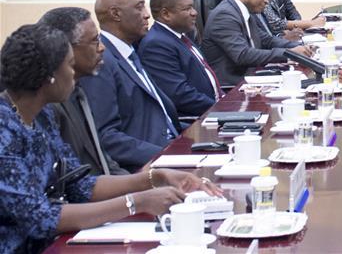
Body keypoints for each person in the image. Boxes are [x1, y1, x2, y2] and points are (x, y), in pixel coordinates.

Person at [0, 24, 221, 253]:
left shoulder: (43, 115)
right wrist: (137, 202)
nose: (74, 72)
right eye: (69, 64)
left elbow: (80, 185)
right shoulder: (4, 132)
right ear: (49, 77)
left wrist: (155, 177)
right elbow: (41, 218)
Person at [79, 0, 183, 171]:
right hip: (147, 166)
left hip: (171, 147)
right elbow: (106, 137)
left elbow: (157, 115)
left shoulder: (129, 52)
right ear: (116, 14)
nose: (147, 15)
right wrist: (167, 153)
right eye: (139, 7)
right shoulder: (101, 61)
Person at [38, 8, 128, 176]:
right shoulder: (49, 105)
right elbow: (73, 182)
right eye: (95, 41)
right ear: (64, 48)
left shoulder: (77, 91)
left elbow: (105, 163)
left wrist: (145, 182)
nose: (102, 48)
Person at [202, 0, 312, 87]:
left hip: (252, 78)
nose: (266, 2)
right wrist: (289, 53)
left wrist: (298, 47)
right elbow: (243, 55)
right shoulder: (225, 15)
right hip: (233, 88)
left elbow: (266, 40)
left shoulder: (244, 11)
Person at [139, 0, 220, 118]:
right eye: (187, 9)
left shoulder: (180, 36)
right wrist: (221, 107)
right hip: (195, 120)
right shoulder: (156, 44)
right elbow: (180, 95)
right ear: (166, 14)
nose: (195, 12)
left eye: (192, 7)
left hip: (212, 109)